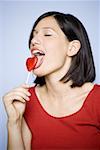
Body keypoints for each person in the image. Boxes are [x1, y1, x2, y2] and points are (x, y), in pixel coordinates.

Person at [3, 11, 100, 150]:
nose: (33, 41)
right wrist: (14, 122)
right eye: (33, 35)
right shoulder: (26, 100)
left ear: (72, 48)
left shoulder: (97, 99)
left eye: (47, 34)